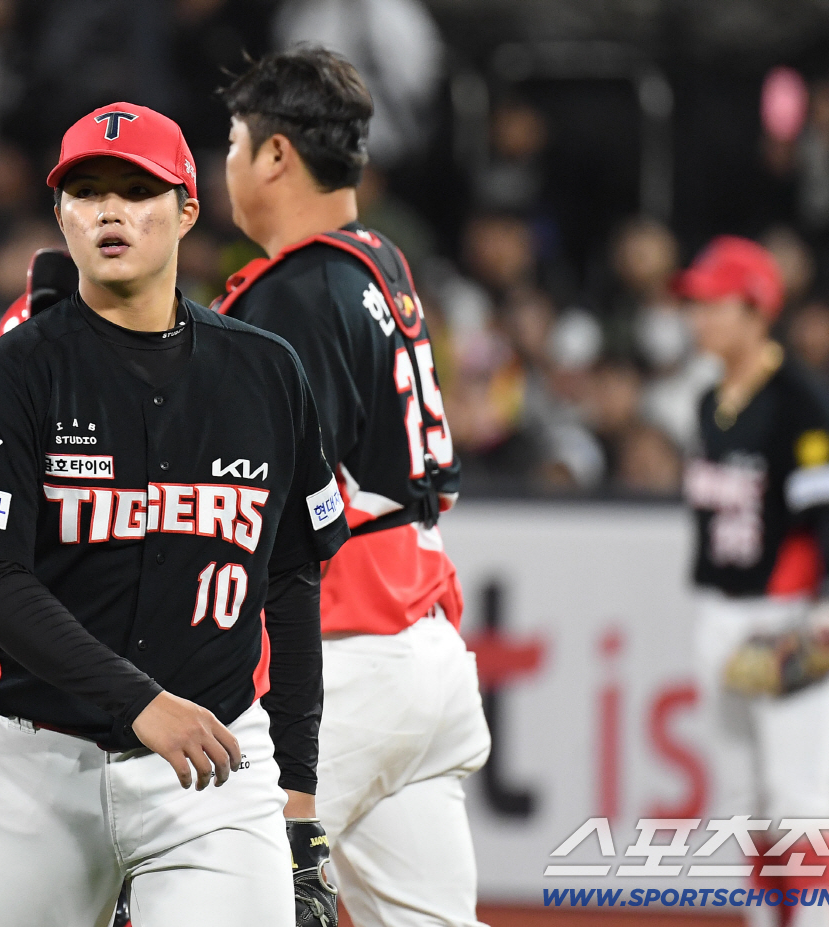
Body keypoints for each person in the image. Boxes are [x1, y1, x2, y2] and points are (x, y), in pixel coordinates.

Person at [0, 101, 349, 927]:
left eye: (139, 189)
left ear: (188, 208)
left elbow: (292, 586)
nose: (111, 210)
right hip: (38, 768)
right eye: (86, 191)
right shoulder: (11, 375)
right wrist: (141, 700)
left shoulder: (268, 373)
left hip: (213, 768)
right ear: (61, 215)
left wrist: (298, 797)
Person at [216, 48, 492, 927]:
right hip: (425, 643)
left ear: (274, 156)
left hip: (350, 651)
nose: (223, 162)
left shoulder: (296, 291)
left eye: (232, 140)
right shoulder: (376, 264)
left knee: (210, 884)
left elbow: (262, 504)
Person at [680, 236, 829, 927]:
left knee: (800, 798)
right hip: (725, 610)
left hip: (794, 608)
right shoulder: (710, 402)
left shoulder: (801, 401)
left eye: (711, 302)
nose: (697, 317)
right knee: (744, 797)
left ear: (756, 308)